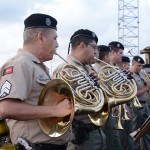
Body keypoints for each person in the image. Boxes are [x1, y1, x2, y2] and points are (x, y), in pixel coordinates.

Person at [0, 13, 72, 150]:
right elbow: (5, 108)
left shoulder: (36, 66)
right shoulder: (20, 64)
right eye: (55, 38)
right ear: (40, 37)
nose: (58, 44)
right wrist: (55, 110)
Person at [52, 29, 106, 150]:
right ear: (82, 46)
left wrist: (96, 86)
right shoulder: (66, 69)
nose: (96, 52)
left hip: (95, 130)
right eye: (94, 48)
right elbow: (57, 105)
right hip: (81, 135)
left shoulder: (88, 68)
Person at [102, 41, 124, 150]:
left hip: (115, 110)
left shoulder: (114, 68)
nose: (122, 55)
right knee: (110, 143)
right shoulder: (103, 69)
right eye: (120, 53)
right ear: (112, 53)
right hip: (107, 111)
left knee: (116, 142)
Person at [130, 56, 150, 150]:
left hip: (145, 104)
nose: (140, 67)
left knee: (146, 129)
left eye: (141, 65)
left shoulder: (142, 73)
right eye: (138, 65)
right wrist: (146, 88)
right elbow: (132, 94)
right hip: (137, 105)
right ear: (133, 64)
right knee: (136, 129)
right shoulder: (130, 75)